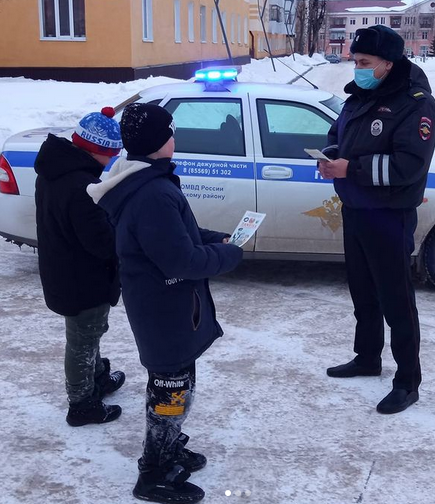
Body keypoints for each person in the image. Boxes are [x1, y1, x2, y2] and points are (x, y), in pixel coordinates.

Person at [86, 103, 243, 503]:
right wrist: (230, 255)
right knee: (170, 388)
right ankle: (154, 471)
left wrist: (213, 238)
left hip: (167, 304)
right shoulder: (152, 192)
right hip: (163, 307)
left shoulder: (147, 181)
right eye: (171, 132)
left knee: (179, 381)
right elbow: (179, 260)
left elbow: (175, 235)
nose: (175, 138)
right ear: (160, 143)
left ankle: (169, 446)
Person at [319, 25, 435, 414]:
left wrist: (349, 169)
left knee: (396, 300)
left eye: (365, 62)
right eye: (355, 61)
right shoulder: (359, 97)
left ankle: (407, 381)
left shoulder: (416, 104)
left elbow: (407, 166)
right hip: (356, 210)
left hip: (389, 215)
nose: (357, 69)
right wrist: (329, 154)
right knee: (363, 293)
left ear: (389, 64)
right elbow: (338, 132)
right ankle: (367, 357)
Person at [34, 107, 126, 427]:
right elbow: (101, 242)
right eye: (112, 153)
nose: (114, 159)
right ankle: (81, 402)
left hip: (65, 269)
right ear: (98, 150)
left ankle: (96, 377)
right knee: (82, 339)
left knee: (90, 331)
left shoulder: (57, 169)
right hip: (82, 278)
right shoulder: (81, 186)